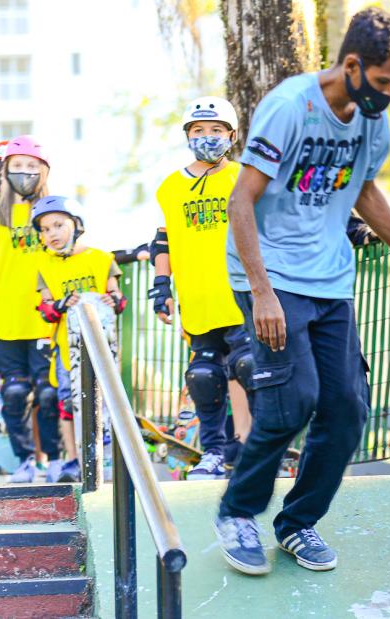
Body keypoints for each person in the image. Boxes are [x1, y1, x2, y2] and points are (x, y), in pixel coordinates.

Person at [214, 6, 390, 576]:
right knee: (292, 400)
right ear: (351, 64)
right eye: (382, 81)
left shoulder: (372, 121)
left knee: (348, 408)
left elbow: (365, 192)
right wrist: (261, 293)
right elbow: (240, 200)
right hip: (270, 276)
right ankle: (237, 512)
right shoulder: (289, 108)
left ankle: (297, 523)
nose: (389, 94)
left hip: (328, 278)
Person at [149, 96, 255, 480]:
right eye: (198, 131)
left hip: (243, 296)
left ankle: (252, 449)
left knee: (249, 367)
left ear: (231, 135)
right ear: (187, 136)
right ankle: (213, 452)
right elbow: (162, 241)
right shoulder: (171, 187)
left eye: (215, 130)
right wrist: (162, 287)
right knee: (204, 376)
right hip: (198, 299)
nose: (207, 137)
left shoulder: (244, 177)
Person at [32, 196, 126, 482]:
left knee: (105, 398)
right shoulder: (44, 266)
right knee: (67, 401)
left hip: (101, 344)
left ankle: (105, 454)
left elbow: (117, 297)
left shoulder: (100, 258)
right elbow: (45, 309)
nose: (52, 234)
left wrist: (114, 300)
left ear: (76, 224)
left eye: (59, 225)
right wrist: (60, 305)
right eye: (46, 229)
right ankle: (73, 459)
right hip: (67, 347)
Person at [0, 136, 62, 483]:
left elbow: (72, 251)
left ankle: (53, 460)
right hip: (4, 318)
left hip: (44, 320)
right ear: (4, 170)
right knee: (15, 392)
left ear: (44, 172)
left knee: (49, 392)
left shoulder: (53, 213)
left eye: (32, 166)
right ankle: (24, 461)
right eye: (17, 166)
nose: (24, 173)